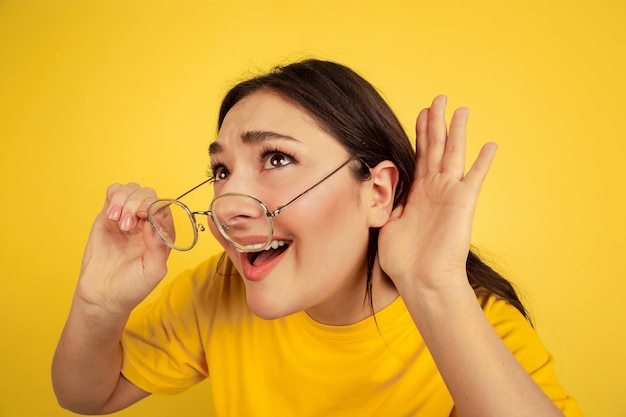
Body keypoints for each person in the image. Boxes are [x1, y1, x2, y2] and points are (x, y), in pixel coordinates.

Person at [52, 59, 582, 416]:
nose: (230, 207)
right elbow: (87, 396)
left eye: (276, 159)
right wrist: (97, 305)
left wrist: (434, 287)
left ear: (376, 194)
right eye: (220, 171)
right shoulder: (215, 291)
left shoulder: (477, 321)